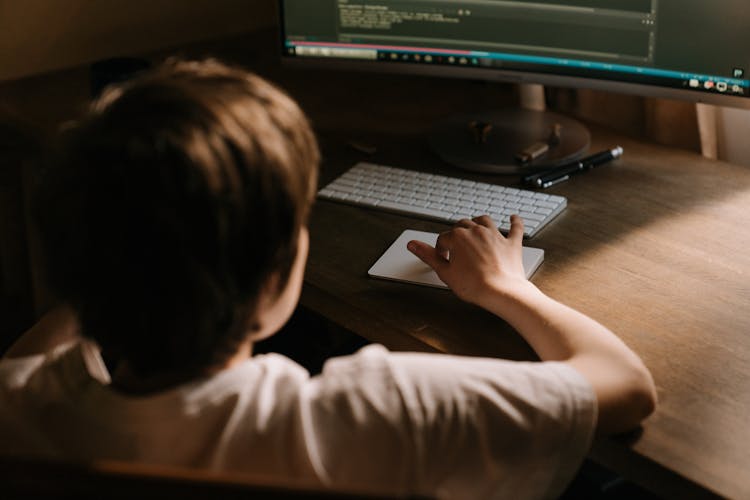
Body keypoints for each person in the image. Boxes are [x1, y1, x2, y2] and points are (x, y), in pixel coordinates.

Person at [0, 59, 656, 499]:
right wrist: (507, 288)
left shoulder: (21, 409)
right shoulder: (381, 413)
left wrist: (115, 252)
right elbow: (625, 386)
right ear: (278, 278)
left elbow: (32, 357)